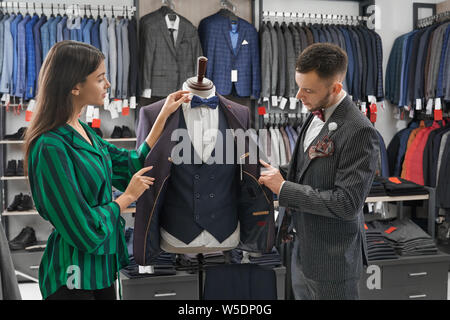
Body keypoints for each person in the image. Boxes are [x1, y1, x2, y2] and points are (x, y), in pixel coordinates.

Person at [23, 41, 189, 300]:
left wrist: (162, 117)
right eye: (100, 78)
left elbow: (128, 163)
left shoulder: (82, 130)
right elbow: (81, 226)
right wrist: (126, 198)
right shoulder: (50, 146)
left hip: (101, 268)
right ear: (74, 86)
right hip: (72, 275)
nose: (108, 85)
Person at [258, 43, 379, 300]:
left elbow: (347, 203)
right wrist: (270, 172)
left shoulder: (360, 131)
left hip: (333, 260)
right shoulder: (314, 114)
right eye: (298, 86)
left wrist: (283, 188)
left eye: (308, 89)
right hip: (303, 247)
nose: (299, 95)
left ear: (335, 88)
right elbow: (306, 168)